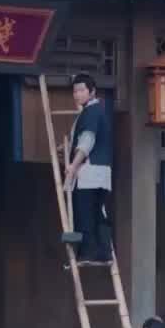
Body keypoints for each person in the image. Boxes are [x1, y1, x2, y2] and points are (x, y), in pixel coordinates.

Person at [63, 73, 113, 263]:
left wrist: (73, 165)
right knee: (98, 211)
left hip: (89, 170)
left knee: (85, 211)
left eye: (81, 90)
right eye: (75, 91)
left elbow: (87, 141)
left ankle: (88, 252)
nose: (77, 94)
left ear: (92, 92)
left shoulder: (91, 112)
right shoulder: (98, 111)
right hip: (101, 171)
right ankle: (104, 252)